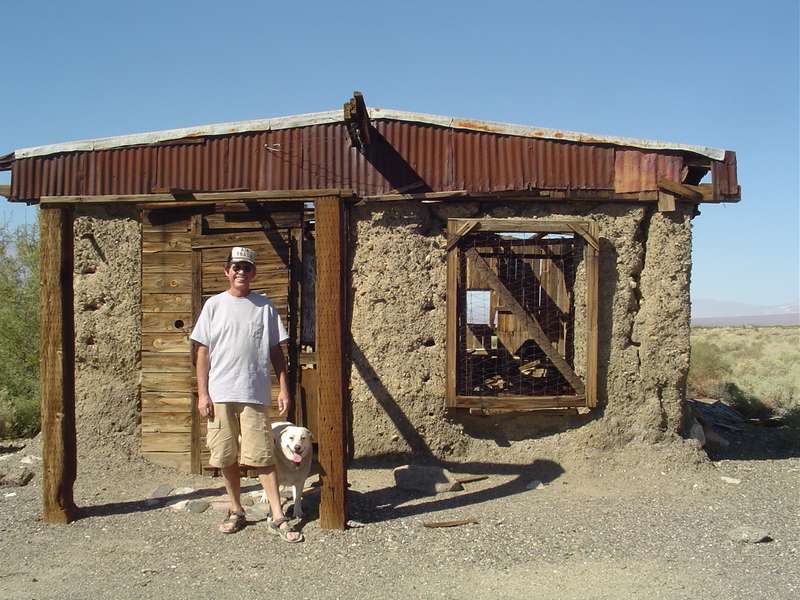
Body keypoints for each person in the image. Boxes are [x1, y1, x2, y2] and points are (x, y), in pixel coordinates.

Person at [190, 246, 303, 542]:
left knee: (263, 456)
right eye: (236, 267)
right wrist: (202, 394)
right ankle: (236, 510)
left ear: (254, 273)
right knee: (225, 454)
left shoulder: (264, 307)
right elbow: (202, 352)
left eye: (247, 267)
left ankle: (277, 515)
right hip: (221, 393)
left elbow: (276, 352)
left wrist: (284, 388)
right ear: (227, 271)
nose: (241, 272)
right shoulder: (214, 305)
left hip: (254, 393)